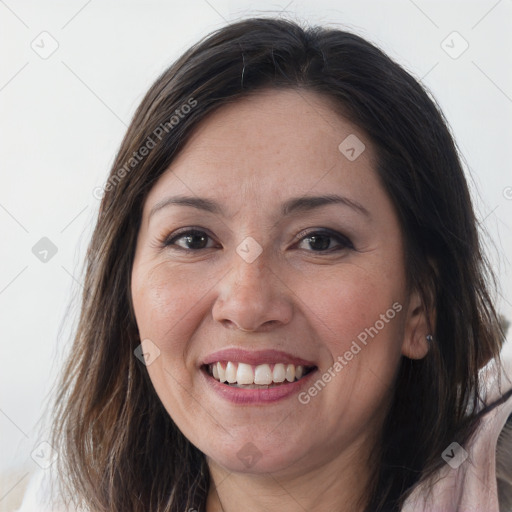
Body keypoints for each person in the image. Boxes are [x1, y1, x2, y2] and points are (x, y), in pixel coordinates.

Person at [18, 17, 512, 512]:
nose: (248, 304)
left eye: (319, 241)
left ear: (420, 304)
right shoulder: (65, 496)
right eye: (193, 239)